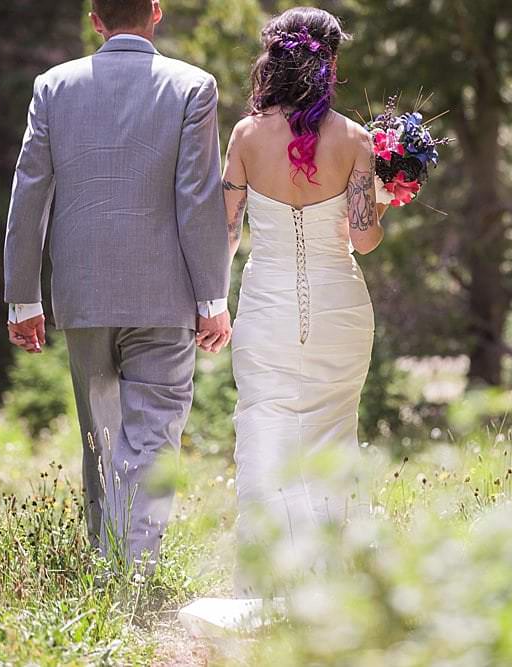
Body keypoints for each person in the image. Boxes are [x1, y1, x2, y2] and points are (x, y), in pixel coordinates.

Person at [2, 0, 231, 570]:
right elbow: (197, 198)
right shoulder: (192, 86)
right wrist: (213, 299)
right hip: (166, 295)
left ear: (94, 19)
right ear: (156, 12)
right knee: (152, 436)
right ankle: (133, 569)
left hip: (82, 296)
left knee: (101, 439)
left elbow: (30, 191)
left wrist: (24, 297)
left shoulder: (53, 86)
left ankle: (113, 569)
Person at [222, 6, 389, 576]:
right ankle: (328, 580)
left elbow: (224, 234)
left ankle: (267, 574)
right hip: (340, 308)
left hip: (266, 308)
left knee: (264, 429)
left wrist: (211, 304)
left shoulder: (245, 136)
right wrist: (384, 201)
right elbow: (365, 241)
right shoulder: (355, 139)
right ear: (331, 64)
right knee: (333, 434)